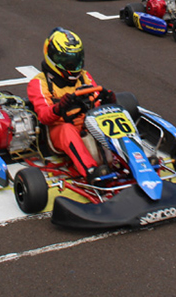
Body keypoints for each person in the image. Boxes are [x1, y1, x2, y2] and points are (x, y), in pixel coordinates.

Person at [27, 28, 114, 184]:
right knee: (67, 131)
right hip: (60, 129)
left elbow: (97, 102)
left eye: (76, 60)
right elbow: (44, 115)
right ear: (52, 58)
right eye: (67, 61)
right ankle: (91, 171)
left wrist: (107, 100)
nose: (73, 65)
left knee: (110, 117)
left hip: (88, 123)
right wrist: (59, 107)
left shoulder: (84, 77)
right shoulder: (39, 83)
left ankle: (135, 160)